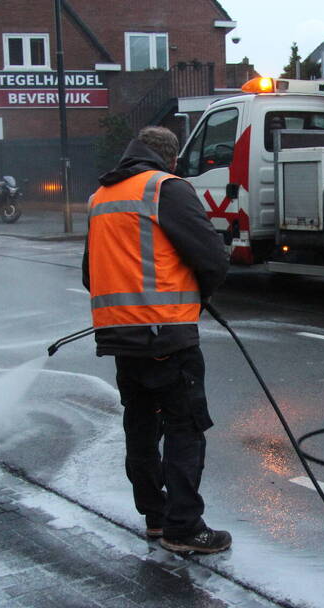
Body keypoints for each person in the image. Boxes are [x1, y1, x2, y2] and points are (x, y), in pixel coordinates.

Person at [82, 126, 231, 554]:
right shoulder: (165, 187)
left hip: (119, 338)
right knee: (185, 427)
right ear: (169, 159)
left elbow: (91, 274)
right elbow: (212, 257)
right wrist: (197, 296)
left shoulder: (99, 198)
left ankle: (156, 517)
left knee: (141, 427)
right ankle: (184, 528)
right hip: (168, 335)